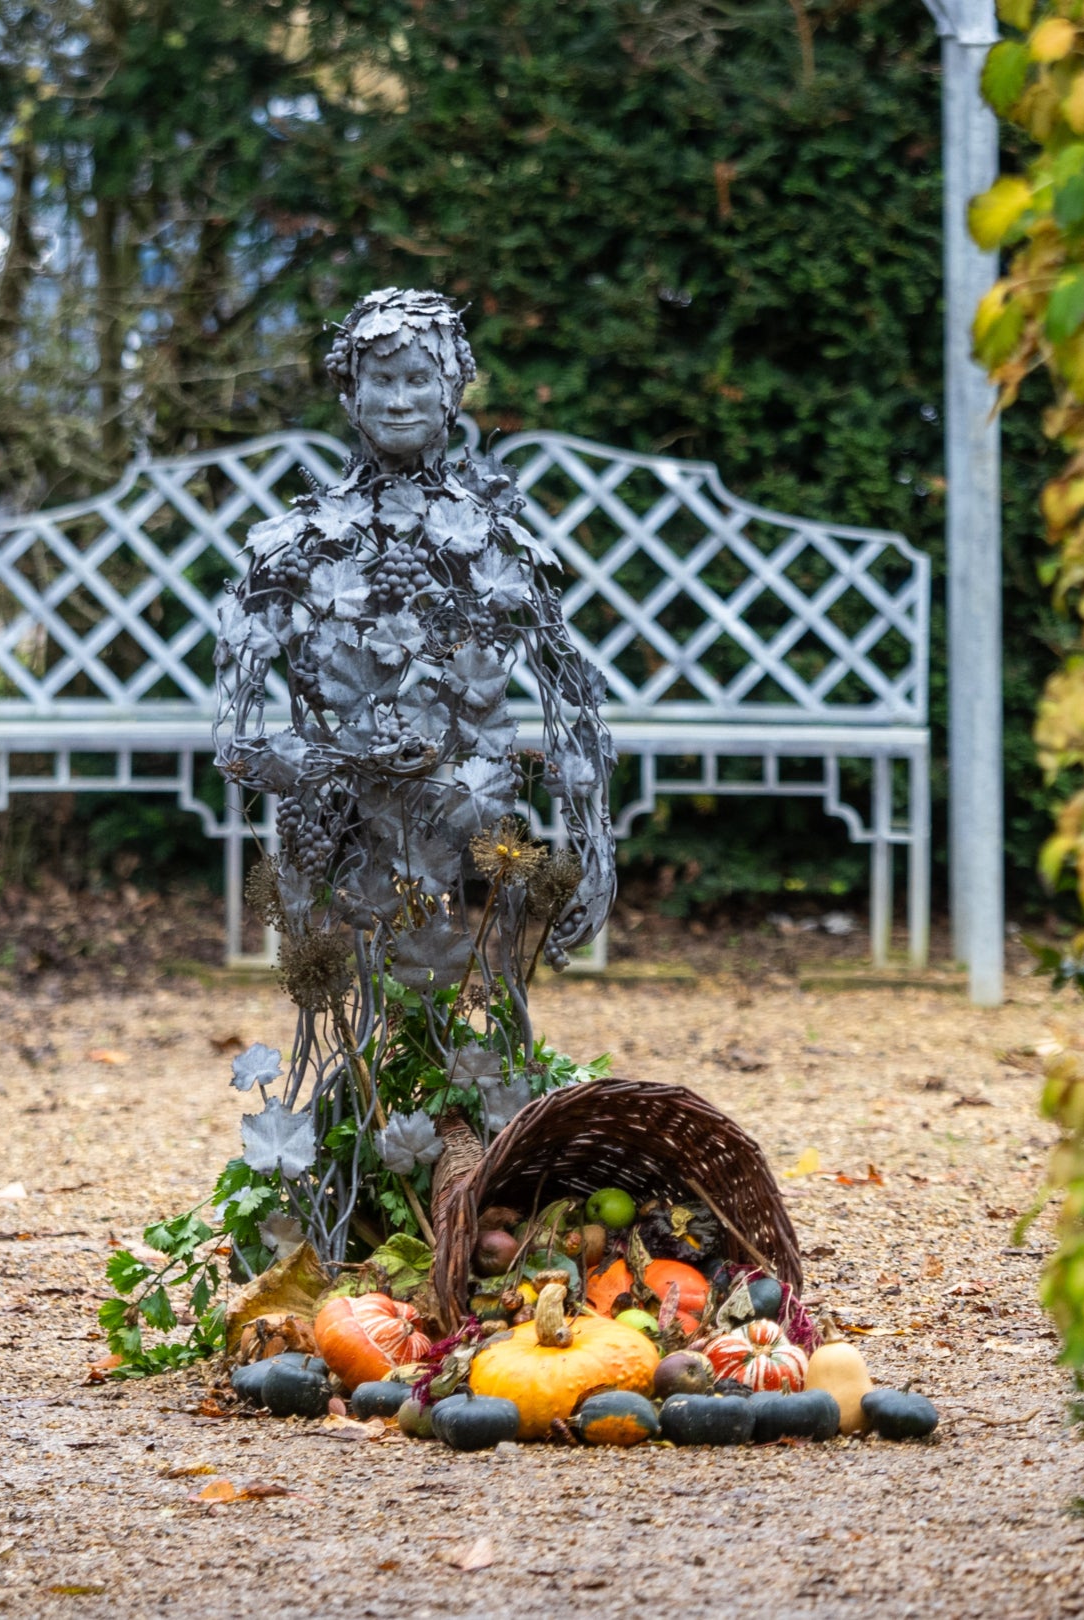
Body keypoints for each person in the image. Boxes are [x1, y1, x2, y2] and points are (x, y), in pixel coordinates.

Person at [213, 288, 616, 1259]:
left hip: (471, 841)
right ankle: (339, 1215)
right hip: (340, 836)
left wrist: (594, 846)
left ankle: (486, 1211)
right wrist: (327, 761)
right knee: (338, 1038)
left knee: (482, 1034)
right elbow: (233, 740)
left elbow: (575, 700)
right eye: (380, 378)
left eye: (419, 377)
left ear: (455, 389)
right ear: (348, 392)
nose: (399, 398)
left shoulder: (498, 541)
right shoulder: (292, 547)